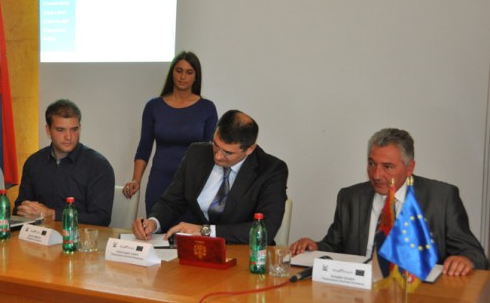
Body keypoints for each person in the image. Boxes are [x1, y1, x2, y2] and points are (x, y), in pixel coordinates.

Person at [290, 128, 489, 276]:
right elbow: (334, 246)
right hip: (359, 291)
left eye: (387, 167)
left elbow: (475, 254)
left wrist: (465, 259)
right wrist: (314, 246)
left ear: (409, 168)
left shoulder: (441, 198)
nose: (376, 174)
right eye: (371, 164)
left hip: (419, 294)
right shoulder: (350, 197)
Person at [132, 110, 288, 245]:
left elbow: (266, 229)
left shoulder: (271, 170)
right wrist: (153, 222)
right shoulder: (197, 153)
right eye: (216, 145)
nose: (218, 156)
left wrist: (204, 231)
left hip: (244, 254)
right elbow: (172, 202)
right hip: (197, 250)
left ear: (250, 149)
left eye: (228, 153)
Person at [122, 51, 218, 217]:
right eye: (179, 70)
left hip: (192, 184)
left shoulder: (207, 108)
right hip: (159, 181)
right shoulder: (154, 106)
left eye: (189, 72)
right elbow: (144, 147)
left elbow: (211, 151)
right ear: (172, 72)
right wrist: (136, 179)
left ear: (196, 76)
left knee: (187, 231)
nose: (183, 77)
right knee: (155, 228)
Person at [14, 99, 115, 226]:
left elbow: (101, 218)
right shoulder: (33, 162)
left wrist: (53, 214)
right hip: (40, 235)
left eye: (74, 129)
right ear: (48, 130)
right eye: (60, 130)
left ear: (80, 128)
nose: (69, 137)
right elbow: (18, 208)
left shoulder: (98, 166)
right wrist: (25, 210)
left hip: (80, 236)